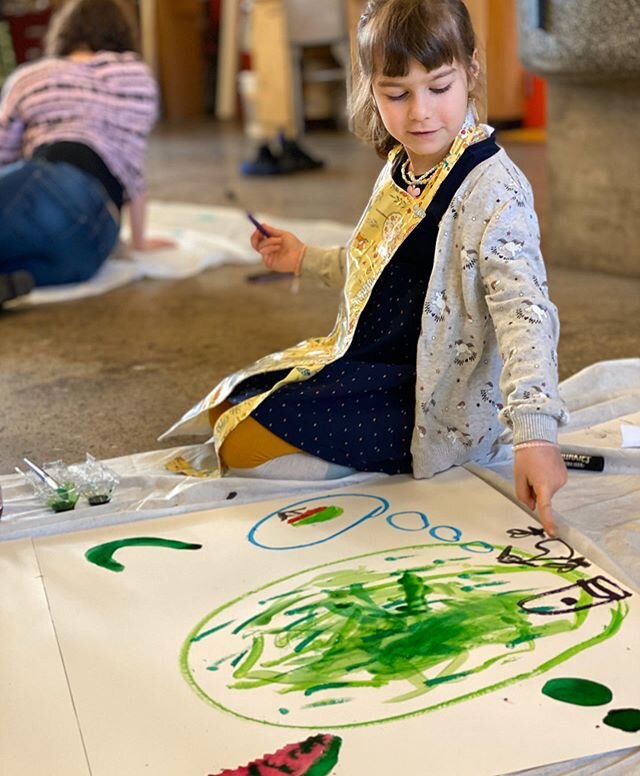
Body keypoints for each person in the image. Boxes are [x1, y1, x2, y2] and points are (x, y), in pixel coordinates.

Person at [164, 0, 568, 534]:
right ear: (370, 87)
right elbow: (377, 263)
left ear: (471, 72)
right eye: (396, 94)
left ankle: (360, 465)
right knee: (230, 405)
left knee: (243, 441)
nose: (420, 112)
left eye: (438, 88)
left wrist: (535, 435)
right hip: (370, 363)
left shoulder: (495, 189)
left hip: (427, 398)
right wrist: (304, 259)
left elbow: (526, 315)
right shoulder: (401, 166)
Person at [0, 0, 172, 306]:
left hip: (53, 184)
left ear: (62, 32)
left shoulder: (32, 76)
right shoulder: (137, 76)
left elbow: (4, 156)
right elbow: (133, 170)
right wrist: (139, 242)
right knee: (26, 263)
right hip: (97, 242)